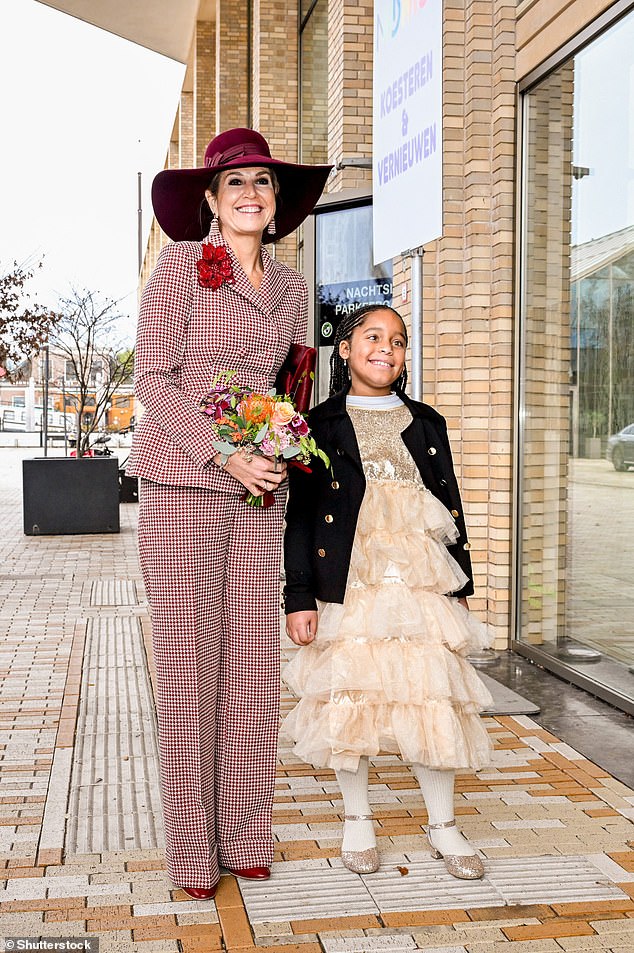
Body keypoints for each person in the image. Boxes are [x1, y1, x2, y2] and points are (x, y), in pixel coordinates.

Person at [127, 128, 331, 900]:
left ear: (277, 207)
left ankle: (246, 834)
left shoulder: (290, 287)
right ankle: (190, 851)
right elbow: (153, 376)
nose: (252, 193)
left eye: (265, 184)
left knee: (249, 671)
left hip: (257, 495)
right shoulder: (182, 265)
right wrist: (223, 450)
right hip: (184, 484)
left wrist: (279, 447)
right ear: (211, 201)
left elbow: (288, 386)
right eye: (236, 182)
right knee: (188, 674)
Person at [283, 303, 493, 880]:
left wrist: (461, 583)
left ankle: (444, 825)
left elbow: (450, 505)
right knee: (350, 698)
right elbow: (299, 516)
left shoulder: (426, 421)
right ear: (345, 350)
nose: (386, 348)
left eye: (398, 340)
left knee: (431, 696)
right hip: (349, 583)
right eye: (372, 337)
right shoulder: (315, 425)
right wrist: (299, 595)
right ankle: (356, 819)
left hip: (420, 583)